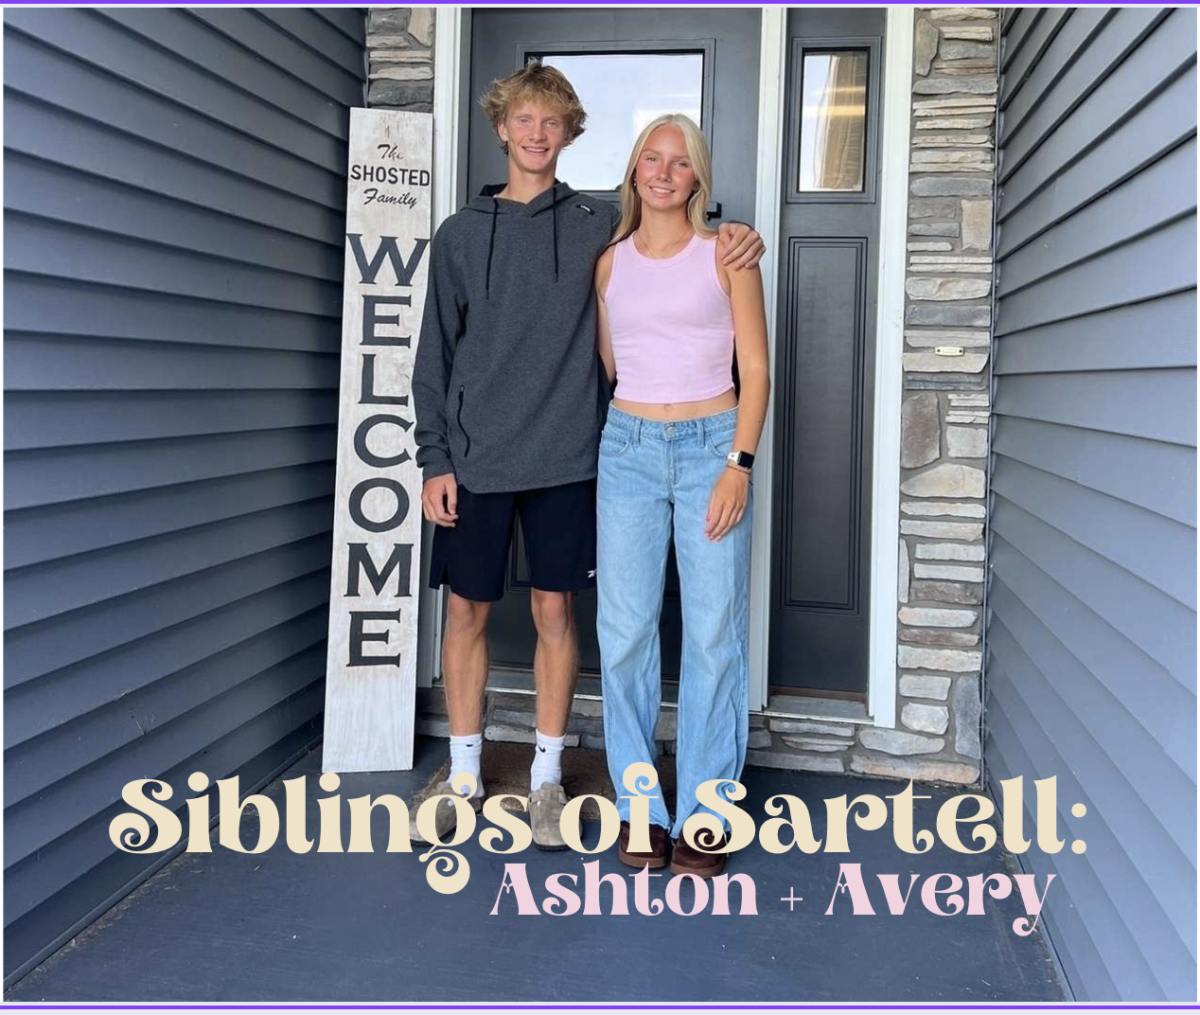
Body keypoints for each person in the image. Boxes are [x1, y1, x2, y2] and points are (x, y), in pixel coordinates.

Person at [410, 63, 764, 849]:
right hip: (477, 458)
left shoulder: (597, 227)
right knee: (470, 611)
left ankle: (546, 777)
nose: (538, 135)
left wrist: (736, 232)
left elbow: (676, 235)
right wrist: (434, 455)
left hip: (573, 458)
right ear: (501, 128)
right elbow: (433, 354)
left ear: (571, 135)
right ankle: (465, 772)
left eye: (553, 123)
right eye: (524, 121)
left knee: (560, 612)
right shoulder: (463, 235)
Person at [594, 114, 771, 878]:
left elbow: (756, 370)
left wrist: (739, 462)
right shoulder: (607, 265)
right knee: (627, 630)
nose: (663, 172)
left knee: (710, 633)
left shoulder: (727, 254)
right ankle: (643, 807)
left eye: (679, 162)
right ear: (635, 169)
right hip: (628, 450)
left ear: (698, 177)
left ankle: (706, 813)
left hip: (711, 449)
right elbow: (613, 366)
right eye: (651, 159)